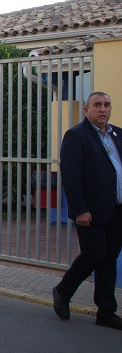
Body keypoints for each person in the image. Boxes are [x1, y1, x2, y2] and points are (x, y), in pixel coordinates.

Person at [53, 91, 122, 329]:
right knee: (93, 255)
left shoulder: (117, 134)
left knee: (109, 259)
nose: (103, 109)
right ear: (87, 110)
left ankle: (106, 311)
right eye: (97, 105)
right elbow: (71, 177)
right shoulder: (76, 136)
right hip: (91, 210)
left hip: (117, 209)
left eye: (107, 105)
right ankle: (63, 291)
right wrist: (80, 209)